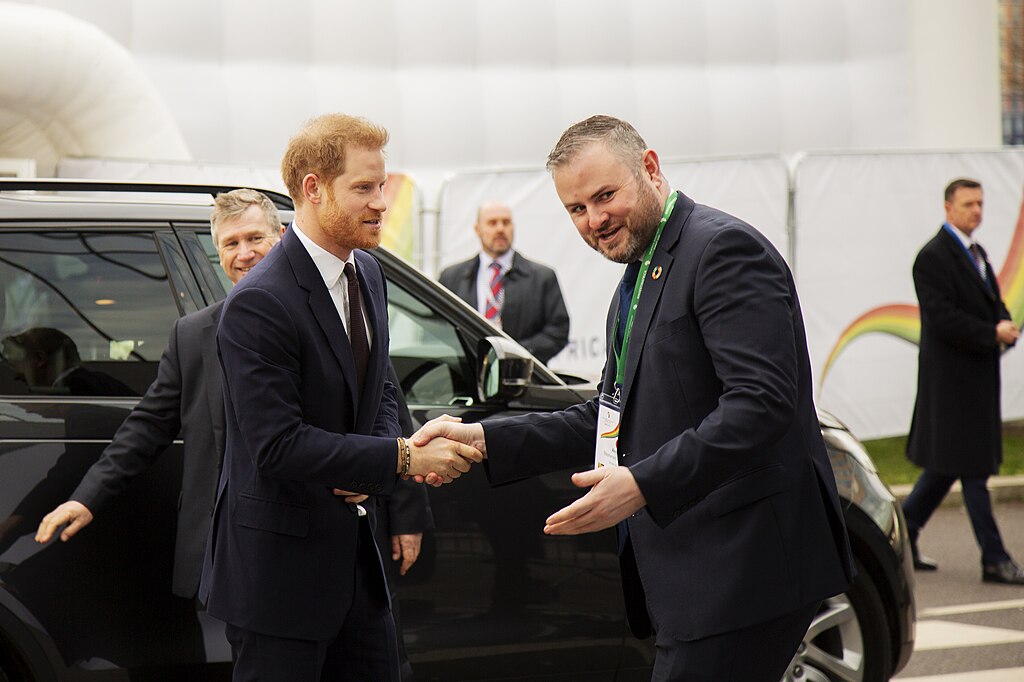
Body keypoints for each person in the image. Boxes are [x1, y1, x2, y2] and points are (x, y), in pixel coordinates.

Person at [416, 115, 853, 680]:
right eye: (576, 208)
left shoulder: (722, 249)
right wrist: (482, 438)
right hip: (700, 574)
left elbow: (761, 404)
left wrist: (644, 483)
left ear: (650, 167)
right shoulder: (640, 271)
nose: (594, 220)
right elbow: (610, 414)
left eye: (605, 196)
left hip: (747, 567)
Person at [198, 113, 481, 680]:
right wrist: (401, 457)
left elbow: (380, 392)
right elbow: (277, 445)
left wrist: (373, 464)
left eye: (382, 186)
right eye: (364, 188)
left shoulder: (368, 272)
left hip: (357, 568)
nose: (381, 203)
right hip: (278, 580)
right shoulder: (260, 301)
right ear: (314, 188)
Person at [33, 188, 285, 597]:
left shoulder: (321, 318)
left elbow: (372, 406)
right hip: (225, 549)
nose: (245, 253)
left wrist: (395, 505)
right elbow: (148, 425)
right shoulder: (192, 334)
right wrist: (86, 498)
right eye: (231, 243)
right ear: (218, 253)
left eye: (256, 238)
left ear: (282, 238)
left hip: (301, 541)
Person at [902, 178, 1024, 584]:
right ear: (948, 208)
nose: (977, 211)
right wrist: (992, 333)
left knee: (943, 469)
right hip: (952, 387)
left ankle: (901, 535)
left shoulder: (977, 253)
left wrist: (1004, 324)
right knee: (973, 471)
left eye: (980, 204)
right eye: (969, 204)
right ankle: (994, 559)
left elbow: (992, 303)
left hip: (975, 382)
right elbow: (943, 319)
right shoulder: (932, 257)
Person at [439, 201, 569, 363]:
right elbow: (438, 329)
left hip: (523, 373)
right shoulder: (452, 277)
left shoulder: (542, 277)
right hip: (467, 371)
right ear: (477, 229)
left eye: (506, 222)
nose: (500, 229)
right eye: (492, 223)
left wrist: (513, 355)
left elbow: (558, 331)